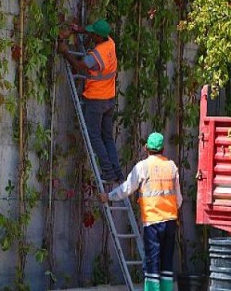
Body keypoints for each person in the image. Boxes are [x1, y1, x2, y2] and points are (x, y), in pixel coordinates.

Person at [99, 132, 182, 291]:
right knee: (166, 265)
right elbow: (179, 199)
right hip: (170, 221)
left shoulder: (142, 167)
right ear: (163, 149)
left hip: (152, 223)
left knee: (152, 263)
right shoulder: (171, 166)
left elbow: (126, 189)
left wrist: (108, 196)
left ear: (146, 148)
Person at [58, 18, 123, 182]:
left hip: (96, 99)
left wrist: (65, 51)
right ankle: (116, 171)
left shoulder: (96, 56)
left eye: (93, 34)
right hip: (109, 98)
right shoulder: (110, 44)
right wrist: (80, 29)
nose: (92, 36)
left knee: (95, 136)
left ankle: (107, 171)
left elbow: (80, 66)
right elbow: (96, 32)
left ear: (99, 37)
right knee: (107, 137)